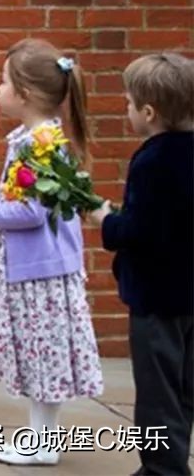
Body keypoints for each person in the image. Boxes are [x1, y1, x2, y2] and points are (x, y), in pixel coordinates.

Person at [0, 40, 103, 467]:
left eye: (5, 83)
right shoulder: (33, 140)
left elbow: (32, 211)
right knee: (37, 354)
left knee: (43, 356)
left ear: (24, 94)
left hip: (38, 272)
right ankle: (41, 438)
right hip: (28, 267)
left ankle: (43, 444)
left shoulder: (42, 145)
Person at [88, 53, 194, 476]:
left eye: (129, 103)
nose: (126, 109)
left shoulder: (152, 161)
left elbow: (138, 231)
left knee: (157, 390)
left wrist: (105, 219)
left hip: (157, 296)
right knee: (184, 386)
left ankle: (162, 469)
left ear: (149, 113)